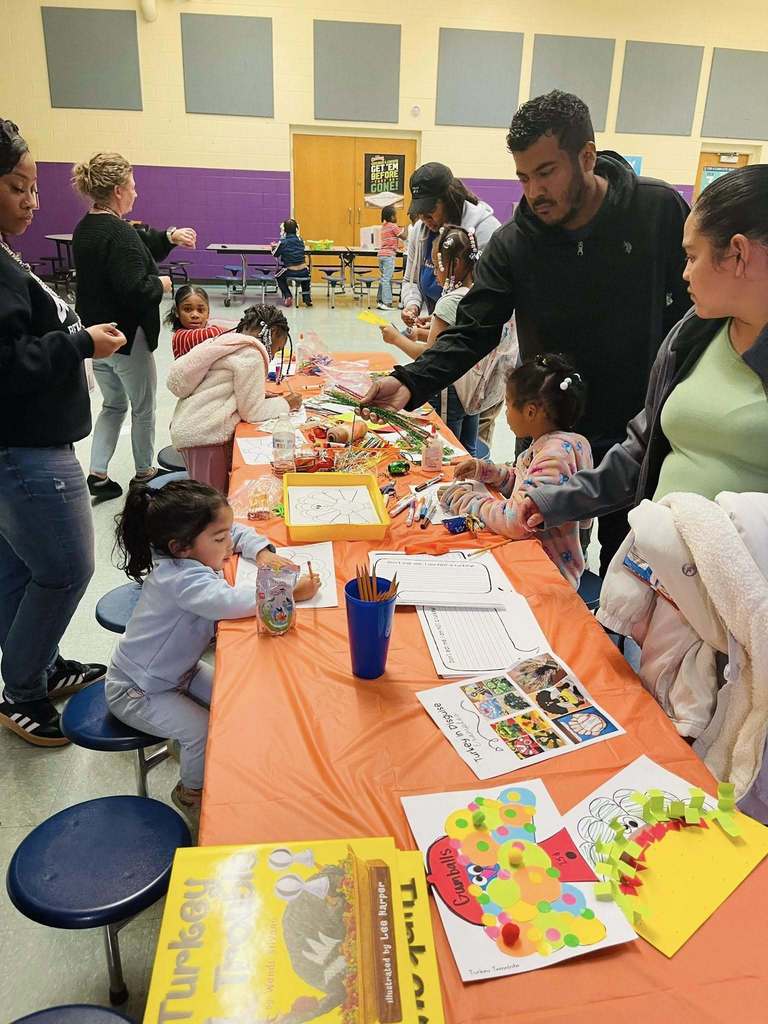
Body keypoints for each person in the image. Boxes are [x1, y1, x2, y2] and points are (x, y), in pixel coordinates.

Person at [362, 91, 691, 574]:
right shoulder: (516, 244)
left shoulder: (656, 211)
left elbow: (694, 317)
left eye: (546, 172)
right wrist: (412, 379)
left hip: (635, 434)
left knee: (631, 569)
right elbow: (473, 328)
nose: (533, 190)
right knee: (539, 563)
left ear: (586, 156)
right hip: (548, 432)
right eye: (522, 176)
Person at [520, 163, 768, 539]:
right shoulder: (690, 337)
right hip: (660, 571)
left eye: (692, 257)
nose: (685, 273)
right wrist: (555, 500)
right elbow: (640, 448)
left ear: (737, 254)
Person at [0, 119, 127, 746]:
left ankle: (37, 670)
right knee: (67, 568)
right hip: (25, 451)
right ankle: (22, 689)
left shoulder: (5, 254)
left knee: (20, 568)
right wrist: (79, 341)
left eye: (34, 186)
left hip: (24, 446)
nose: (33, 200)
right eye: (19, 186)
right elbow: (6, 361)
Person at [106, 480, 319, 818]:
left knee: (233, 699)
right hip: (138, 689)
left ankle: (198, 752)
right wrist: (289, 588)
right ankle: (191, 792)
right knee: (201, 730)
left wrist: (262, 553)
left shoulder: (193, 550)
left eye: (225, 537)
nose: (228, 544)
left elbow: (235, 531)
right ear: (180, 548)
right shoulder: (179, 579)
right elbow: (230, 601)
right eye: (220, 540)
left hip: (177, 673)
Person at [71, 152, 197, 502]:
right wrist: (163, 285)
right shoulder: (118, 233)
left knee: (113, 405)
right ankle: (145, 472)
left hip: (96, 338)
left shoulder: (87, 228)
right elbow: (135, 288)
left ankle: (98, 472)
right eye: (132, 186)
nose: (136, 193)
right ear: (117, 191)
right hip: (127, 339)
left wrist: (170, 235)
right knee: (143, 407)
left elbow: (141, 240)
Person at [442, 355, 592, 588]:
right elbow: (526, 481)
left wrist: (464, 500)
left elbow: (516, 519)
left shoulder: (555, 457)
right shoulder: (566, 442)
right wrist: (486, 472)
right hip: (534, 559)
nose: (506, 413)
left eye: (508, 403)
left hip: (545, 574)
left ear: (531, 412)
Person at [168, 304, 301, 492]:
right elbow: (253, 413)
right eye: (277, 349)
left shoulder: (227, 342)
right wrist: (285, 403)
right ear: (272, 332)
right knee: (210, 504)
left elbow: (224, 386)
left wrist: (259, 395)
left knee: (204, 497)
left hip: (193, 431)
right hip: (206, 435)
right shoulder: (252, 354)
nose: (273, 356)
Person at [380, 226, 485, 454]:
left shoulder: (447, 302)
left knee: (448, 449)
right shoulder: (477, 296)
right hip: (471, 391)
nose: (433, 272)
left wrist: (396, 338)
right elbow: (456, 339)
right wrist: (420, 333)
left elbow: (429, 357)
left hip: (448, 390)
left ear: (454, 264)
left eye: (434, 264)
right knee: (468, 450)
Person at [401, 161, 500, 319]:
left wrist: (442, 321)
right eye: (420, 212)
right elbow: (410, 280)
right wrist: (412, 304)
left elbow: (488, 296)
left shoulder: (485, 230)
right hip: (442, 318)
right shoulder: (420, 231)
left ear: (449, 200)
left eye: (430, 211)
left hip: (471, 324)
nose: (424, 219)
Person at [166, 283, 234, 359]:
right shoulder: (181, 336)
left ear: (208, 313)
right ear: (177, 312)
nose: (195, 315)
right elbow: (213, 332)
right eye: (187, 309)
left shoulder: (207, 326)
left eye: (200, 310)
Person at [272, 219, 312, 307]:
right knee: (306, 276)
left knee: (277, 275)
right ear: (296, 229)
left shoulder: (282, 242)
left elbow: (275, 254)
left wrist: (273, 247)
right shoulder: (301, 240)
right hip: (303, 269)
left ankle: (288, 296)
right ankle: (307, 298)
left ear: (284, 230)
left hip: (290, 270)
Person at [377, 204, 404, 310]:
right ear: (392, 217)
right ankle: (387, 302)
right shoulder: (393, 226)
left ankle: (380, 301)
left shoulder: (384, 227)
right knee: (387, 279)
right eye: (395, 215)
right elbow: (404, 236)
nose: (396, 217)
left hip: (381, 255)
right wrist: (408, 227)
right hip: (389, 256)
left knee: (383, 278)